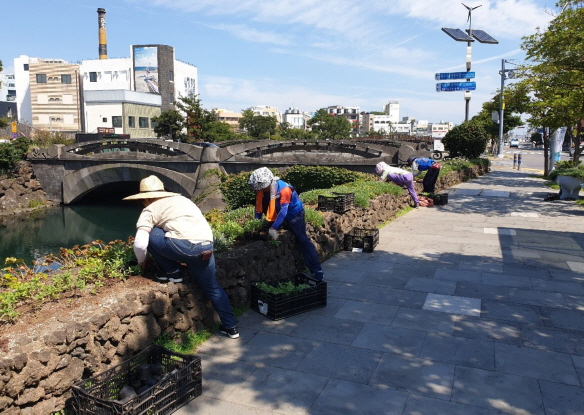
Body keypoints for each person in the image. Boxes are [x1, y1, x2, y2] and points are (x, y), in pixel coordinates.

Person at [123, 175, 239, 339]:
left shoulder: (149, 210)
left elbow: (140, 244)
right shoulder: (183, 201)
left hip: (184, 247)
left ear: (146, 198)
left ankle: (173, 273)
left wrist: (142, 262)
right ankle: (231, 328)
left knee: (152, 233)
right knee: (213, 287)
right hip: (206, 247)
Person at [248, 167, 324, 281]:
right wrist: (256, 222)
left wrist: (273, 228)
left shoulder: (284, 189)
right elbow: (258, 207)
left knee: (302, 240)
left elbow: (284, 211)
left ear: (268, 182)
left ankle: (317, 270)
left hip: (294, 215)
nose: (260, 190)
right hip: (277, 213)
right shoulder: (263, 190)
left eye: (262, 187)